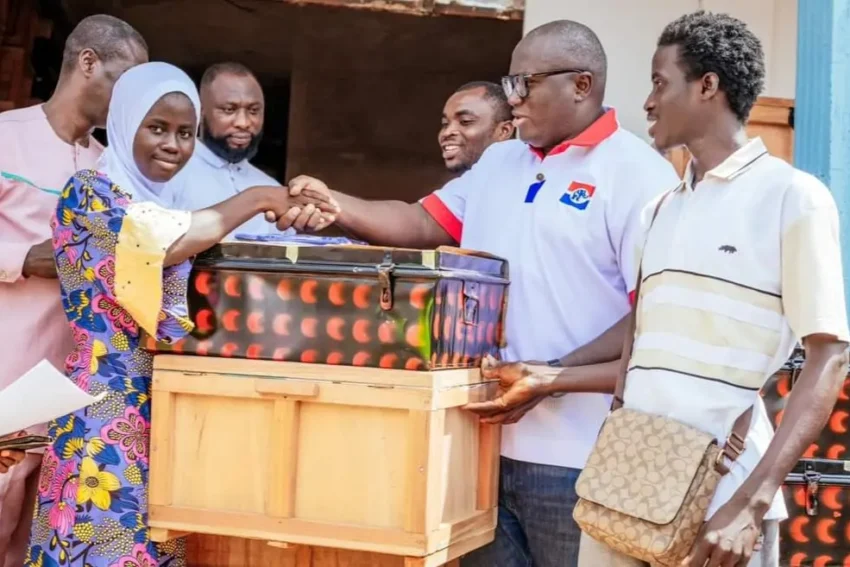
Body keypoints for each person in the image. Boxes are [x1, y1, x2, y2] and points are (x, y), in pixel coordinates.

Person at [286, 20, 680, 566]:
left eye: (527, 84)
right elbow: (422, 222)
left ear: (582, 86)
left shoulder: (640, 176)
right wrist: (337, 206)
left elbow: (653, 319)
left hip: (580, 457)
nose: (512, 98)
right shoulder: (500, 162)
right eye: (510, 82)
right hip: (476, 445)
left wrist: (551, 375)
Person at [475, 11, 850, 567]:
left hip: (721, 498)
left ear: (707, 86)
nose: (647, 102)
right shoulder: (660, 208)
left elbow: (831, 355)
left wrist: (753, 502)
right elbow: (638, 348)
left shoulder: (793, 197)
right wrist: (554, 380)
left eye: (659, 82)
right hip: (625, 490)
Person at [24, 62, 338, 567]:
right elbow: (162, 242)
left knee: (154, 551)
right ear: (125, 125)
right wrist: (260, 197)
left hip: (168, 412)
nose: (173, 144)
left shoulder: (169, 202)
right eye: (158, 128)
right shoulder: (89, 193)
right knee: (99, 548)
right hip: (106, 409)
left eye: (186, 133)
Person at [0, 14, 147, 566]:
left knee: (38, 532)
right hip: (7, 379)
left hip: (73, 389)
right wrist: (24, 259)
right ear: (87, 62)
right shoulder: (6, 137)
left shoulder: (113, 166)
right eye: (124, 81)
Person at [169, 62, 308, 237]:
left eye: (253, 110)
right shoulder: (171, 171)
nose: (243, 122)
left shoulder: (271, 187)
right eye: (229, 110)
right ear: (200, 111)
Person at [439, 81, 514, 173]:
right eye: (445, 124)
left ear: (504, 131)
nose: (447, 132)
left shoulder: (526, 183)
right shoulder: (454, 187)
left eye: (465, 121)